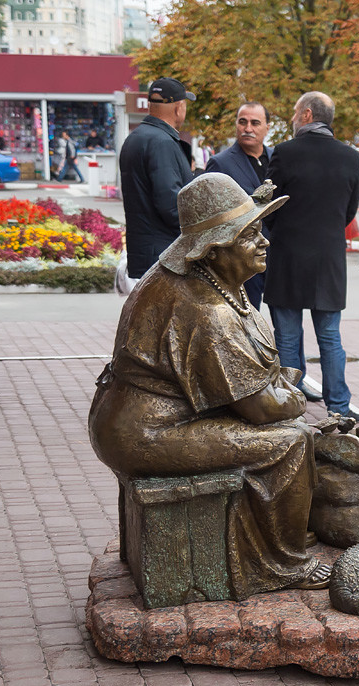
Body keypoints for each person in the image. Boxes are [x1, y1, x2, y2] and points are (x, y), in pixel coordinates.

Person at [88, 172, 331, 597]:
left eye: (259, 230)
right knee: (290, 441)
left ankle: (275, 529)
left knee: (283, 433)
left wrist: (274, 386)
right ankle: (280, 563)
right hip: (148, 433)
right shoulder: (205, 309)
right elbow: (261, 409)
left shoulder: (194, 279)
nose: (265, 241)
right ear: (213, 251)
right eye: (249, 235)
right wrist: (293, 397)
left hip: (132, 418)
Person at [262, 91, 359, 418]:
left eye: (294, 112)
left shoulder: (285, 153)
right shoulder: (349, 157)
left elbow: (269, 207)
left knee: (288, 338)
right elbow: (349, 211)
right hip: (328, 261)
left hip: (288, 257)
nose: (292, 118)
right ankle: (339, 409)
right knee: (330, 337)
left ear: (306, 115)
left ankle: (291, 409)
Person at [119, 77, 195, 280]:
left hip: (145, 253)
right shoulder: (162, 142)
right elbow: (171, 205)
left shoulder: (135, 137)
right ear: (179, 108)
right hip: (164, 255)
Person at [206, 102, 274, 311]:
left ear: (267, 127)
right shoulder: (220, 163)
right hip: (240, 257)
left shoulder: (278, 158)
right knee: (246, 317)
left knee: (284, 328)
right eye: (242, 122)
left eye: (255, 123)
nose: (248, 128)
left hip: (277, 254)